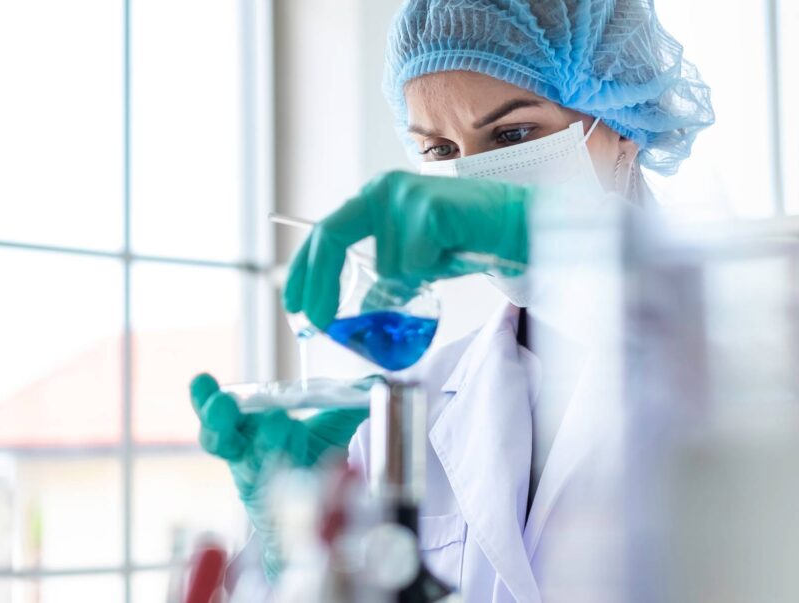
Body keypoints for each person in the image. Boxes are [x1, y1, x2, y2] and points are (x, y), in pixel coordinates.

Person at [190, 0, 713, 600]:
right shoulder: (413, 415)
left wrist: (548, 237)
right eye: (440, 151)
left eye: (513, 134)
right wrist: (302, 559)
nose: (473, 179)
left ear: (623, 118)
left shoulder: (741, 344)